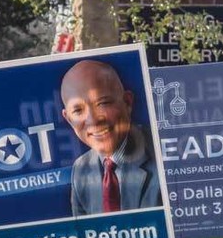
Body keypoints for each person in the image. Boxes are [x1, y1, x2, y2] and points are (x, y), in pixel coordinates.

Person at [62, 58, 162, 215]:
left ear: (127, 102)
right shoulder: (80, 170)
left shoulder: (163, 151)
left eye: (102, 103)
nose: (93, 120)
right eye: (78, 111)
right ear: (68, 119)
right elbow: (85, 236)